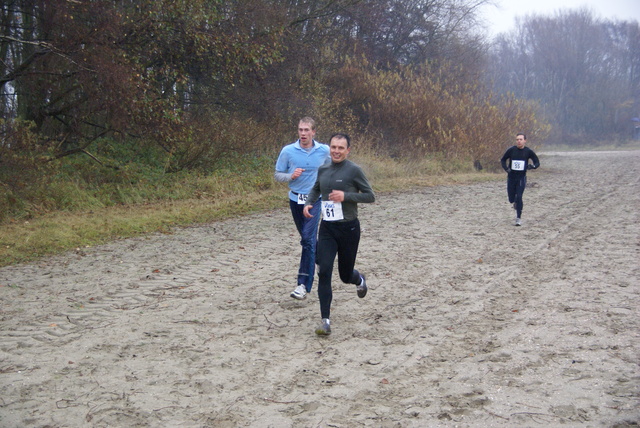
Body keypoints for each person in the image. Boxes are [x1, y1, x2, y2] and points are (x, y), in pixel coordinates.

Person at [303, 133, 375, 335]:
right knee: (324, 271)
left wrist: (345, 196)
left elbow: (370, 196)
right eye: (333, 147)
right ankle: (325, 321)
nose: (336, 151)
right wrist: (309, 202)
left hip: (349, 229)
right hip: (327, 228)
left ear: (347, 150)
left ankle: (359, 280)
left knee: (345, 275)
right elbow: (316, 188)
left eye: (340, 148)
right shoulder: (323, 168)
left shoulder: (354, 171)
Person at [275, 117, 330, 300]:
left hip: (314, 200)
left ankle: (302, 285)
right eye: (300, 130)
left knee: (307, 239)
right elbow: (278, 175)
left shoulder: (324, 151)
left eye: (307, 130)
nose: (303, 133)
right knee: (308, 240)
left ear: (314, 132)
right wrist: (291, 176)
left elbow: (336, 166)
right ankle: (322, 261)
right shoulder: (288, 151)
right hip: (295, 200)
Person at [500, 133, 540, 226]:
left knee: (519, 196)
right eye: (517, 139)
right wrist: (506, 169)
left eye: (521, 139)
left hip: (521, 177)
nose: (519, 141)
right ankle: (514, 202)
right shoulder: (511, 150)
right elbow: (503, 160)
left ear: (525, 141)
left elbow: (537, 162)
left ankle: (518, 218)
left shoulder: (528, 151)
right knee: (511, 199)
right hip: (511, 177)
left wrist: (532, 166)